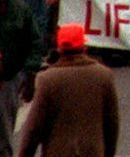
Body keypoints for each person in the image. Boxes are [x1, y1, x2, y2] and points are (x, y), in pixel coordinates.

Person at [14, 24, 117, 157]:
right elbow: (112, 123)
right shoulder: (103, 75)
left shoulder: (48, 79)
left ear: (59, 48)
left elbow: (34, 127)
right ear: (84, 46)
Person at [0, 0, 43, 154]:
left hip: (9, 79)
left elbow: (35, 42)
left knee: (4, 131)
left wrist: (30, 72)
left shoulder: (21, 10)